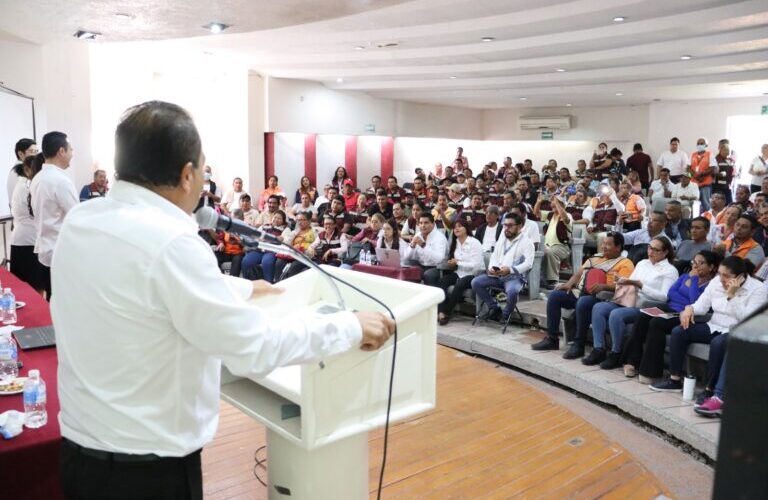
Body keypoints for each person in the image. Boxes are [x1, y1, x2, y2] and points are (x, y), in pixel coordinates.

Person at [52, 101, 394, 498]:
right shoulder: (172, 244)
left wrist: (245, 288)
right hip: (145, 473)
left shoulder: (83, 220)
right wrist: (349, 325)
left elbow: (137, 289)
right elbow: (254, 348)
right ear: (187, 174)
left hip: (80, 455)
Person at [651, 256, 766, 392]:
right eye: (719, 274)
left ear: (740, 277)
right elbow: (702, 305)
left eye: (726, 276)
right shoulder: (716, 282)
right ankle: (674, 380)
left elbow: (747, 318)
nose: (721, 279)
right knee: (679, 331)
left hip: (734, 330)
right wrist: (690, 309)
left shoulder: (758, 289)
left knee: (718, 343)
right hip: (714, 325)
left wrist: (732, 297)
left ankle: (709, 389)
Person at [622, 250, 719, 384]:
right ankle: (632, 362)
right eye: (695, 262)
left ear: (712, 267)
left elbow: (694, 302)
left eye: (701, 263)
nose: (696, 266)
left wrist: (694, 280)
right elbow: (671, 294)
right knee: (643, 314)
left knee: (657, 323)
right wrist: (687, 288)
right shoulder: (685, 276)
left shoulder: (710, 285)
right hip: (670, 307)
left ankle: (652, 372)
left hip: (685, 314)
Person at [531, 232, 634, 353]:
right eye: (603, 244)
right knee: (555, 296)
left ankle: (578, 344)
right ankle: (552, 339)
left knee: (583, 302)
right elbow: (578, 274)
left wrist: (604, 286)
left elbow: (623, 286)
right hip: (581, 292)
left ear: (618, 247)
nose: (603, 247)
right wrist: (568, 284)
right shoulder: (595, 258)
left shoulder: (625, 263)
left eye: (608, 244)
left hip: (603, 297)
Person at [585, 237, 678, 368]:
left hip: (645, 306)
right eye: (650, 248)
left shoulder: (670, 270)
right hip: (628, 299)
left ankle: (616, 353)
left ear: (665, 252)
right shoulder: (642, 263)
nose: (651, 252)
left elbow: (664, 297)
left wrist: (641, 285)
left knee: (616, 314)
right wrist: (621, 280)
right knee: (599, 307)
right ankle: (598, 349)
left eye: (656, 250)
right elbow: (630, 283)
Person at [30, 131, 78, 299]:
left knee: (52, 299)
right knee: (64, 300)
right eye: (70, 149)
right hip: (61, 252)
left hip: (44, 250)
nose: (72, 154)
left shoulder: (38, 178)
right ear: (61, 151)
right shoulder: (61, 181)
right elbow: (76, 217)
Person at [471, 213, 535, 323]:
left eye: (510, 225)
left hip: (514, 278)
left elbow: (529, 264)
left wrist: (509, 270)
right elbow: (494, 258)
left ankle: (505, 315)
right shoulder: (501, 241)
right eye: (505, 225)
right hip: (497, 276)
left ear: (519, 226)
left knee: (513, 291)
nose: (507, 228)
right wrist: (492, 268)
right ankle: (495, 308)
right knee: (476, 282)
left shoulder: (527, 242)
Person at [423, 220, 484, 325]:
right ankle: (440, 310)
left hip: (474, 274)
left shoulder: (474, 242)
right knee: (442, 281)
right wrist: (453, 264)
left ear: (466, 228)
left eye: (460, 226)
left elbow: (477, 265)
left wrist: (458, 262)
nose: (456, 229)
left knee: (459, 285)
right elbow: (456, 262)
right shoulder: (456, 243)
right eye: (455, 227)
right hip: (459, 272)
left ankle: (446, 313)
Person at [10, 153, 42, 289]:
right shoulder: (27, 187)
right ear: (28, 170)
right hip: (29, 240)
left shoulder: (22, 185)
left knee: (24, 287)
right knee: (34, 287)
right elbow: (37, 212)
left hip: (22, 239)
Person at [542, 195, 572, 289]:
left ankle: (553, 280)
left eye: (557, 203)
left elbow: (565, 218)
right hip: (546, 245)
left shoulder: (568, 215)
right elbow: (537, 213)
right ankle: (540, 279)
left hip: (562, 247)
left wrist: (557, 203)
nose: (553, 204)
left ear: (562, 205)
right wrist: (539, 202)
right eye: (553, 203)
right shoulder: (550, 215)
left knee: (551, 251)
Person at [214, 209, 246, 277]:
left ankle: (233, 280)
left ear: (242, 219)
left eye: (237, 221)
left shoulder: (246, 229)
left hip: (238, 253)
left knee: (237, 261)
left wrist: (241, 241)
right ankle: (219, 277)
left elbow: (248, 245)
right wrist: (221, 243)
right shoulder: (227, 227)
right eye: (233, 220)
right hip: (226, 251)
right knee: (215, 255)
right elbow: (219, 238)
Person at [689, 137, 717, 212]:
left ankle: (706, 220)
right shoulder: (693, 154)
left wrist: (702, 174)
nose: (699, 145)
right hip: (694, 184)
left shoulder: (710, 154)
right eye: (698, 143)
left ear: (706, 145)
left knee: (706, 204)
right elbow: (688, 168)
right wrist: (695, 176)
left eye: (702, 143)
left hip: (705, 183)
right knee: (693, 203)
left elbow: (712, 167)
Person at [9, 138, 37, 207]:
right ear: (20, 154)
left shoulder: (17, 169)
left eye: (36, 151)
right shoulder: (20, 171)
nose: (35, 155)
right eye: (32, 151)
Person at [713, 140, 736, 204]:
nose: (726, 152)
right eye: (725, 150)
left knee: (729, 204)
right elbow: (713, 173)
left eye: (728, 150)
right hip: (718, 187)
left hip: (728, 186)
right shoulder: (716, 159)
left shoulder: (730, 160)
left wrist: (735, 174)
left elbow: (733, 171)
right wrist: (720, 174)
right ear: (720, 150)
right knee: (718, 204)